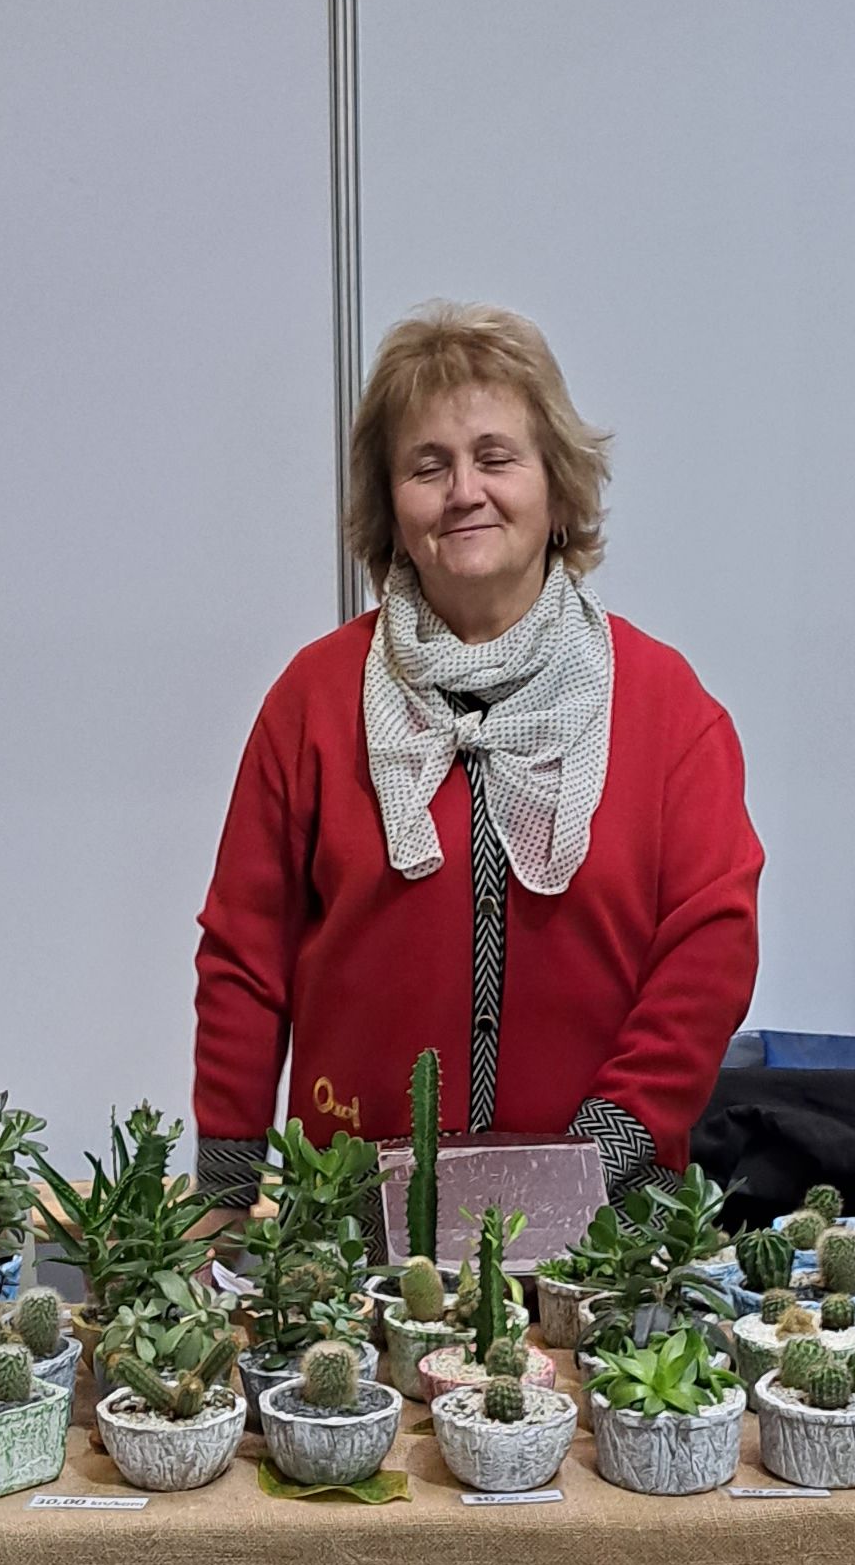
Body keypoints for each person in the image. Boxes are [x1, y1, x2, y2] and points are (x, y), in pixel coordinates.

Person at [192, 305, 763, 1239]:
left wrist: (594, 1161)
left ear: (557, 488)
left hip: (608, 1227)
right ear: (392, 506)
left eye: (497, 457)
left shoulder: (667, 705)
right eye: (429, 465)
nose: (465, 491)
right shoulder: (312, 700)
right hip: (354, 1228)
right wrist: (224, 1190)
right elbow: (243, 957)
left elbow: (712, 945)